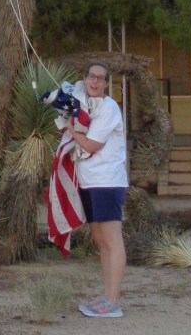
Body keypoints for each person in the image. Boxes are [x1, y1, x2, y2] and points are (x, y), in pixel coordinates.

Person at [65, 62, 128, 318]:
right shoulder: (84, 107)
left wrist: (69, 126)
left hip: (107, 182)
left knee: (112, 240)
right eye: (91, 76)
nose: (95, 81)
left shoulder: (109, 108)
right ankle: (106, 296)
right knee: (101, 242)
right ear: (85, 78)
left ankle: (113, 301)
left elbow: (91, 145)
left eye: (100, 78)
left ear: (106, 83)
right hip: (89, 181)